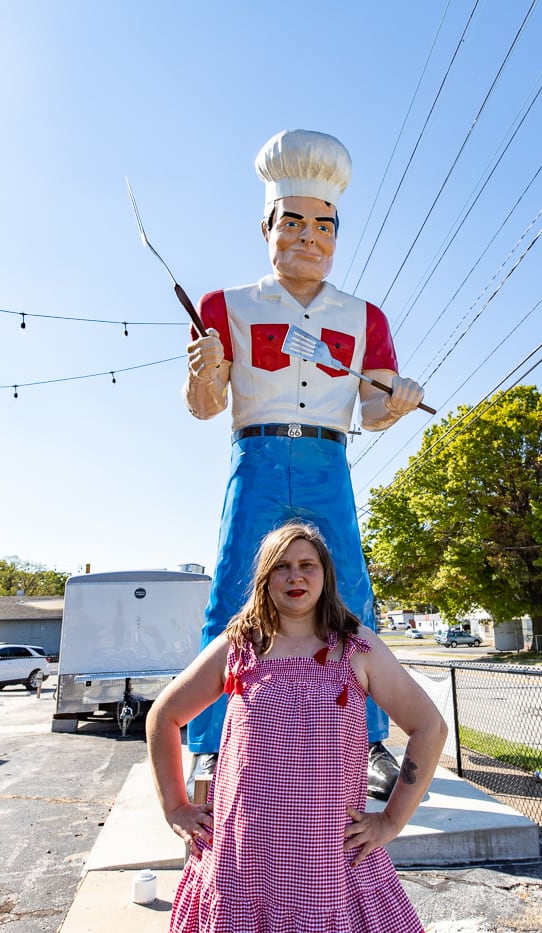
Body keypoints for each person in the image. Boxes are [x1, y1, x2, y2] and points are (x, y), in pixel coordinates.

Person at [184, 128, 427, 799]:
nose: (309, 238)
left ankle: (370, 738)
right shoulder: (222, 307)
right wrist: (203, 373)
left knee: (351, 596)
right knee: (233, 589)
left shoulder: (365, 317)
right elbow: (205, 405)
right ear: (266, 225)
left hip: (328, 457)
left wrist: (397, 401)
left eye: (325, 226)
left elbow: (373, 410)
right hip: (256, 453)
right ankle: (209, 743)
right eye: (293, 222)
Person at [146, 521, 446, 933]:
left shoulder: (357, 648)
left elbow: (429, 727)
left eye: (308, 564)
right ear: (265, 577)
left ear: (325, 573)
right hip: (241, 860)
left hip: (329, 864)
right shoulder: (239, 647)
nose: (296, 576)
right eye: (281, 566)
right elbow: (163, 717)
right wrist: (176, 807)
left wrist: (391, 820)